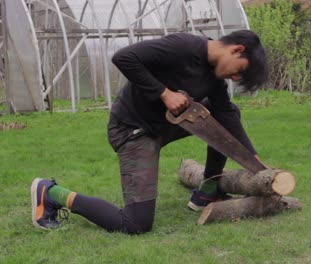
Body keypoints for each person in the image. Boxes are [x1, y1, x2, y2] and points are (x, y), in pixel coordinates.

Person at [30, 30, 269, 234]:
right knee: (136, 224)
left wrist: (253, 159)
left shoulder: (213, 77)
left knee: (225, 114)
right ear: (237, 50)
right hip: (133, 130)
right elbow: (124, 57)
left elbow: (226, 115)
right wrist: (164, 93)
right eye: (240, 72)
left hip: (164, 125)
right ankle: (50, 193)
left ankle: (208, 192)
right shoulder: (182, 46)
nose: (236, 78)